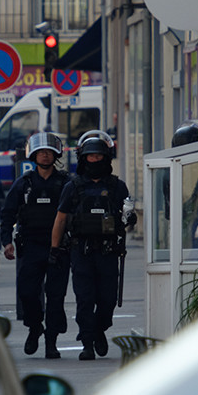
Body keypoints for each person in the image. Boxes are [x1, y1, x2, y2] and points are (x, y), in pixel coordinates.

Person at [50, 130, 135, 361]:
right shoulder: (73, 186)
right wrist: (54, 250)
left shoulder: (118, 187)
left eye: (99, 156)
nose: (95, 160)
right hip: (82, 251)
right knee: (85, 300)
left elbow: (127, 214)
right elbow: (60, 219)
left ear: (106, 158)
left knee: (107, 301)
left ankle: (100, 329)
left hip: (108, 251)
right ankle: (87, 342)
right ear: (83, 158)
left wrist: (130, 219)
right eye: (91, 156)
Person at [0, 132, 71, 359]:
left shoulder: (65, 183)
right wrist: (6, 242)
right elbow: (8, 213)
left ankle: (51, 342)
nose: (45, 156)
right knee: (28, 293)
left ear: (56, 155)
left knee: (56, 296)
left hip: (59, 248)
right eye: (41, 152)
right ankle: (34, 327)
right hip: (30, 245)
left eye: (49, 152)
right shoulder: (24, 183)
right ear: (33, 155)